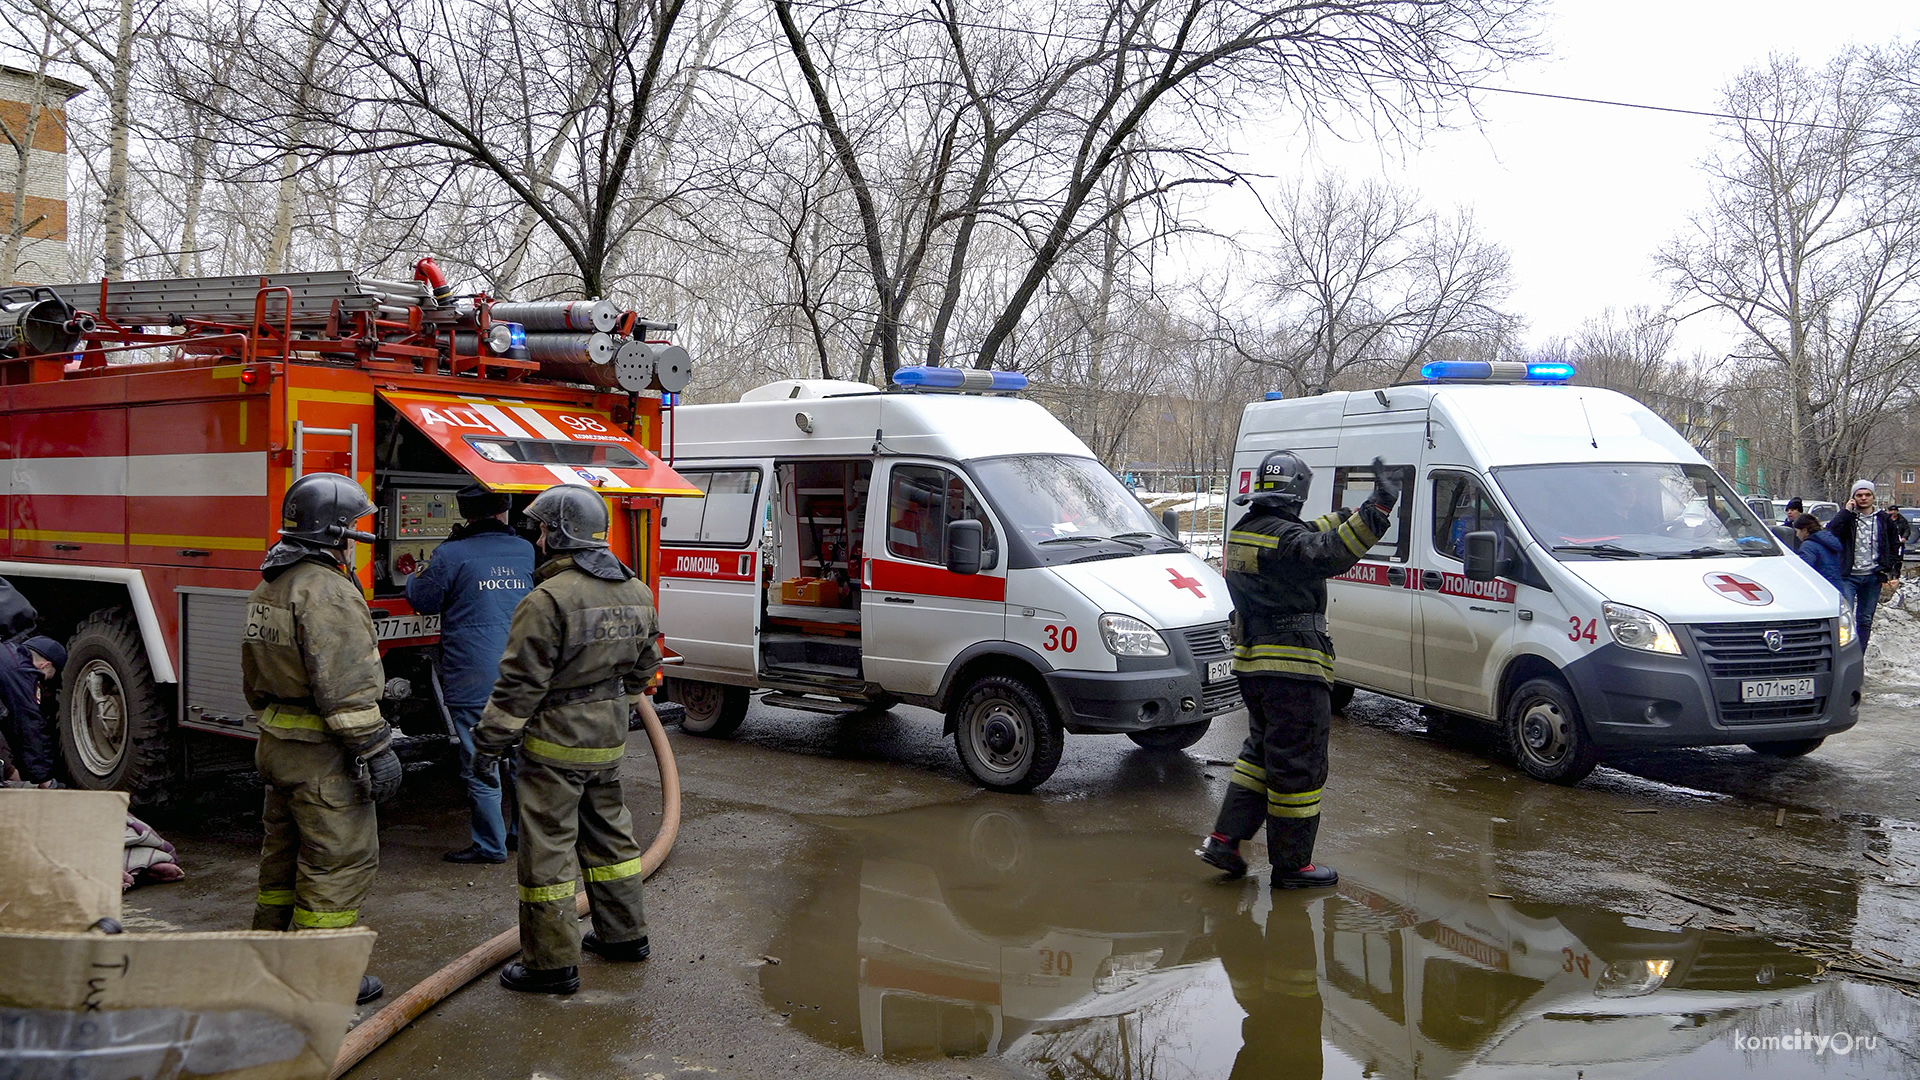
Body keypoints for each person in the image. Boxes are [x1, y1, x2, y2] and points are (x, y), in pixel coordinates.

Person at [472, 483, 662, 995]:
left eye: (540, 529)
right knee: (612, 838)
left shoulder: (547, 598)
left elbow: (519, 684)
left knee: (549, 851)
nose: (535, 538)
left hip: (554, 742)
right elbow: (645, 668)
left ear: (558, 535)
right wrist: (613, 706)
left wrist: (488, 744)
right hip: (608, 739)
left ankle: (551, 966)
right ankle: (626, 937)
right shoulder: (637, 589)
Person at [1197, 452, 1396, 890]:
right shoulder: (1287, 541)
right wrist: (1377, 511)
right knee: (1299, 767)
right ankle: (1292, 866)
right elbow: (1326, 551)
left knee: (1261, 756)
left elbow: (1309, 534)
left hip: (1255, 665)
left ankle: (1225, 841)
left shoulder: (1249, 531)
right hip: (1293, 667)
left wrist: (1352, 512)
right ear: (1300, 491)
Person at [243, 472, 400, 1006]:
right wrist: (377, 749)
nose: (357, 533)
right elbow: (347, 685)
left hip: (278, 746)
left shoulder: (272, 581)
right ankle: (323, 977)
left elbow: (252, 678)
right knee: (338, 861)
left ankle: (270, 962)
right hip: (321, 756)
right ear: (331, 530)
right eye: (352, 524)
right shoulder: (327, 589)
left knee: (282, 860)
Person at [406, 484, 535, 864]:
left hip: (474, 675)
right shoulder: (526, 550)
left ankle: (489, 846)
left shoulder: (451, 553)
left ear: (466, 514)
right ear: (504, 511)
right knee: (518, 760)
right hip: (522, 673)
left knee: (481, 761)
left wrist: (417, 572)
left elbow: (423, 600)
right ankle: (519, 837)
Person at [1827, 480, 1900, 651]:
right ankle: (1843, 654)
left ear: (1873, 497)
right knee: (1844, 618)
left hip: (1872, 576)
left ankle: (1859, 656)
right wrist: (1846, 511)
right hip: (1848, 576)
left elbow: (1894, 545)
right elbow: (1830, 532)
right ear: (1853, 497)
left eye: (1867, 494)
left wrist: (1889, 567)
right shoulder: (1848, 518)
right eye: (1859, 495)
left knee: (1865, 619)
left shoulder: (1883, 519)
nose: (1863, 498)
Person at [0, 635, 68, 787]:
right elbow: (29, 726)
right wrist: (46, 780)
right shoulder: (20, 671)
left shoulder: (7, 653)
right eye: (49, 677)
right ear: (45, 665)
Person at [1795, 514, 1844, 591]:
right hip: (1836, 585)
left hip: (1820, 587)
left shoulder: (1808, 545)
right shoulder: (1830, 541)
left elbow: (1805, 569)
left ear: (1804, 530)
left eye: (1797, 531)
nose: (1796, 535)